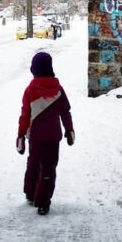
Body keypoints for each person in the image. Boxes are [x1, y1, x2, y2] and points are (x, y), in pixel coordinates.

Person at [15, 51, 74, 215]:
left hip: (35, 136)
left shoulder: (30, 90)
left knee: (33, 163)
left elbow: (25, 114)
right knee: (49, 168)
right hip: (53, 137)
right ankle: (43, 202)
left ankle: (30, 192)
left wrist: (20, 134)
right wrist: (69, 129)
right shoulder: (58, 88)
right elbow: (65, 112)